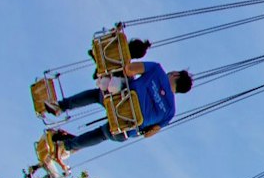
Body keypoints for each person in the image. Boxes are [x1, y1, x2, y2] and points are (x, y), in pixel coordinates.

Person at [42, 61, 194, 155]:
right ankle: (65, 146)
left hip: (118, 102)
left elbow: (129, 69)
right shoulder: (170, 112)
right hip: (125, 128)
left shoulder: (157, 69)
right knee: (102, 134)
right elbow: (149, 133)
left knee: (97, 95)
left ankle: (60, 107)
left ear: (175, 75)